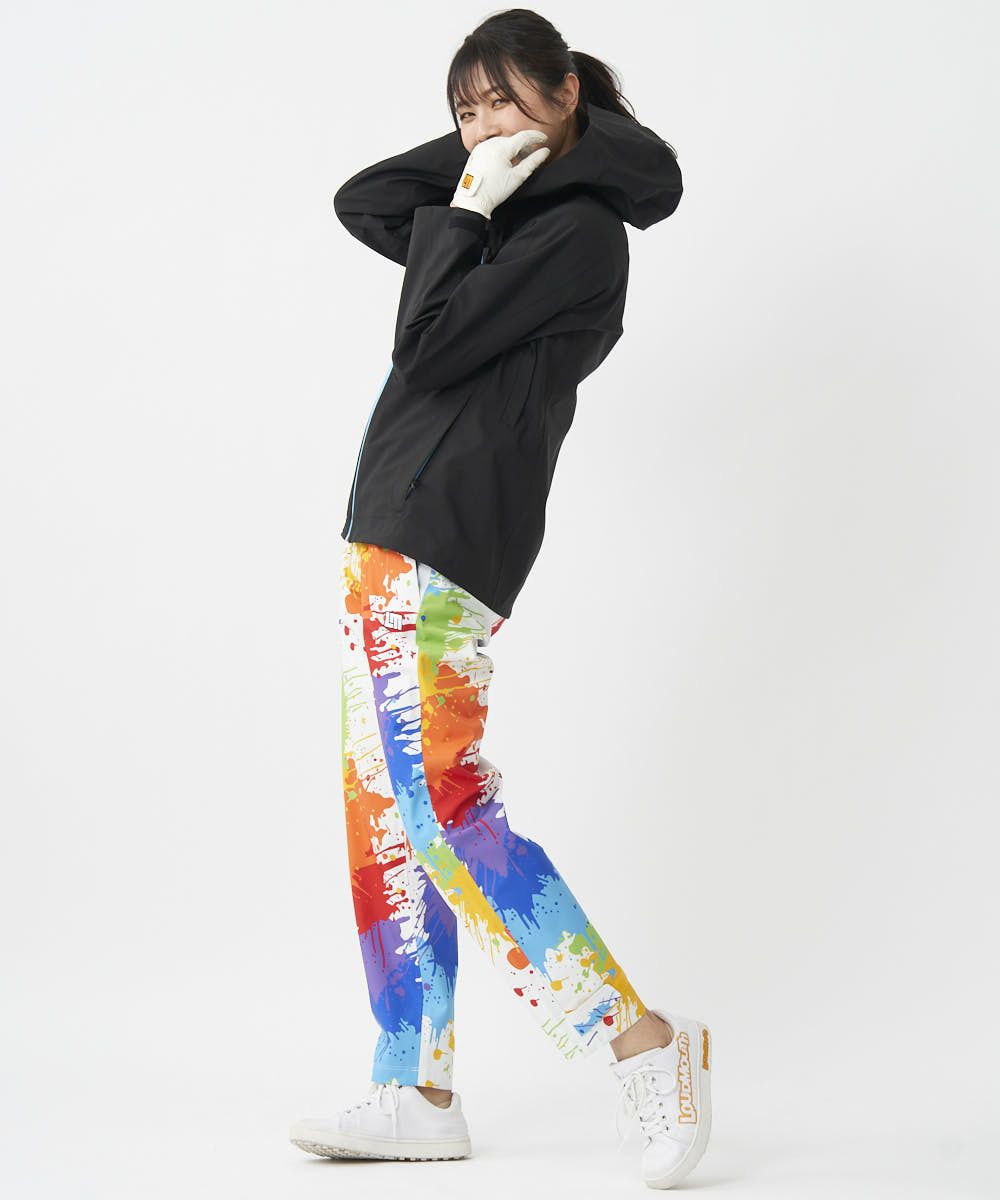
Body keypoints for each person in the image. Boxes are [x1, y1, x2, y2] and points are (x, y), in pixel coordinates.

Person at [290, 9, 712, 1190]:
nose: (478, 126)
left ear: (566, 90)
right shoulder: (511, 208)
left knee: (443, 806)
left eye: (502, 100)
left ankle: (642, 1040)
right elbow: (367, 198)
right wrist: (491, 160)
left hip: (449, 535)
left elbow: (424, 350)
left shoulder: (577, 234)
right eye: (463, 109)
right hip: (388, 532)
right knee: (389, 819)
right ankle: (414, 1088)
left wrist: (487, 196)